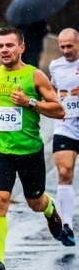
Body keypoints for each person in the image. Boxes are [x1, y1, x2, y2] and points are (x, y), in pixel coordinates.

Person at [0, 27, 66, 270]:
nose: (4, 50)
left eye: (9, 45)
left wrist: (30, 103)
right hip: (1, 151)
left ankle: (49, 209)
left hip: (29, 151)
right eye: (0, 46)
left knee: (34, 202)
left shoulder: (34, 76)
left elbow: (59, 110)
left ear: (21, 48)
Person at [47, 28, 79, 245]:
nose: (66, 50)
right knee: (65, 171)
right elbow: (52, 89)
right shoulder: (55, 66)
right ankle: (67, 226)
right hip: (66, 125)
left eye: (70, 46)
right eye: (62, 46)